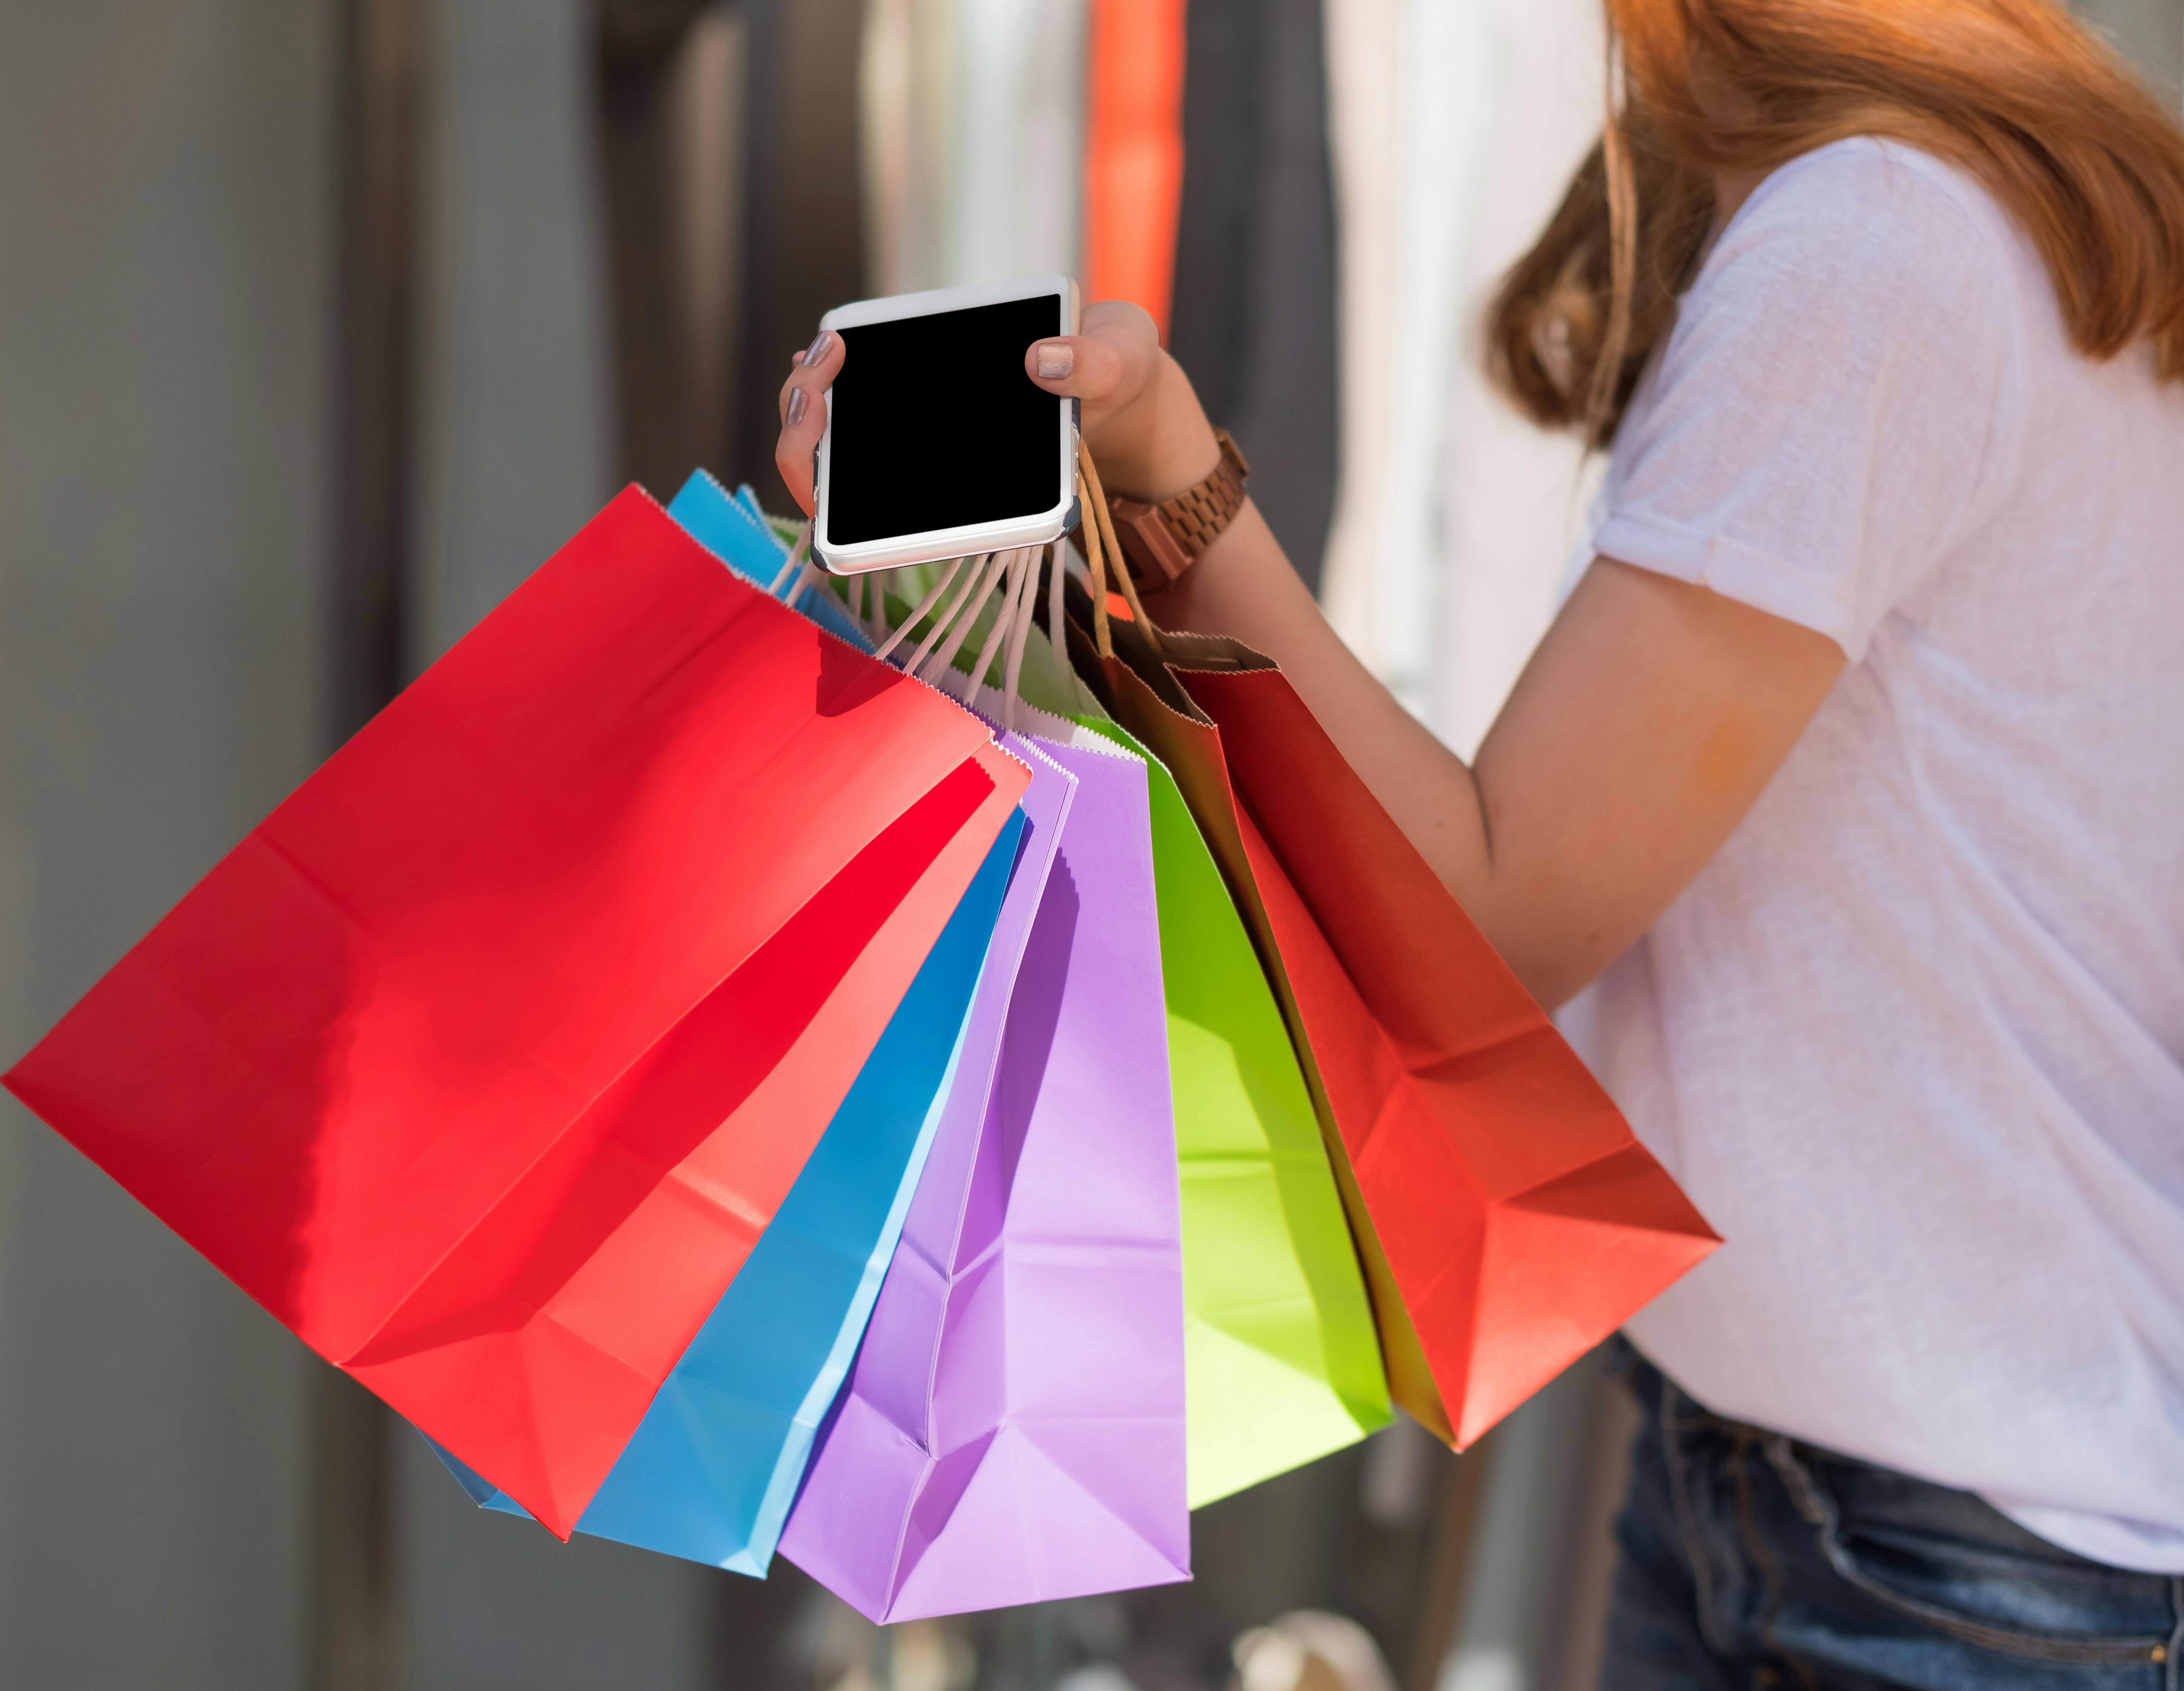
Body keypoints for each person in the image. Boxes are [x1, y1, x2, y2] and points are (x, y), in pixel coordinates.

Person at [775, 0, 2184, 1683]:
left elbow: (1497, 914)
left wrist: (1173, 480)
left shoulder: (1870, 239)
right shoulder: (1963, 180)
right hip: (1844, 1487)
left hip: (1942, 1558)